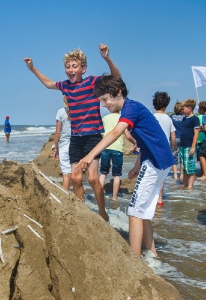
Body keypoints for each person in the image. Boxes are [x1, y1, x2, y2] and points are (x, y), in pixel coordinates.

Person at [76, 75, 174, 257]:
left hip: (156, 162)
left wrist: (90, 156)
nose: (104, 105)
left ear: (118, 92)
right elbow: (149, 139)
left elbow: (115, 133)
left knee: (134, 212)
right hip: (158, 160)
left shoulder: (130, 108)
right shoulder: (134, 108)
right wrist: (138, 163)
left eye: (105, 99)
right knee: (142, 211)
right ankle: (152, 253)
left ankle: (134, 261)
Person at [23, 44, 121, 221]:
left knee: (92, 179)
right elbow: (48, 84)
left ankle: (102, 212)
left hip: (92, 137)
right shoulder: (65, 86)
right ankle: (81, 214)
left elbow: (116, 77)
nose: (70, 69)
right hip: (76, 139)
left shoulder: (92, 82)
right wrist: (32, 68)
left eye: (75, 66)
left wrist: (106, 58)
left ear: (83, 68)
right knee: (75, 179)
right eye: (67, 66)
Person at [98, 112, 132, 201]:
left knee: (103, 173)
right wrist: (135, 142)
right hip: (117, 149)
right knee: (116, 175)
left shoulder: (105, 118)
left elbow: (100, 132)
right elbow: (127, 135)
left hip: (105, 147)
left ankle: (99, 195)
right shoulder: (122, 118)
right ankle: (114, 197)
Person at [152, 92, 176, 206]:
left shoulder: (152, 117)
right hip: (164, 150)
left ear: (153, 104)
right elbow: (173, 136)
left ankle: (151, 198)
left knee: (151, 175)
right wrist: (171, 148)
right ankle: (160, 199)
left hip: (152, 149)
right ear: (166, 105)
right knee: (161, 176)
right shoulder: (168, 118)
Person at [179, 99, 200, 189]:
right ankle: (184, 183)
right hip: (183, 145)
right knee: (184, 166)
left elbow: (196, 133)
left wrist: (193, 147)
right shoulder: (184, 118)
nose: (182, 111)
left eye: (183, 109)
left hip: (189, 146)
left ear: (190, 108)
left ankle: (190, 185)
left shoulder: (195, 119)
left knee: (190, 167)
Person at [53, 97, 72, 190]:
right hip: (77, 145)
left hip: (65, 146)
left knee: (66, 174)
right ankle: (80, 199)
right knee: (77, 174)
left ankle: (66, 199)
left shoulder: (61, 112)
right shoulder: (79, 110)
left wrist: (56, 149)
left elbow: (57, 133)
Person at [170, 101, 185, 182]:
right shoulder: (184, 117)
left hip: (174, 138)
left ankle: (175, 175)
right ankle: (182, 175)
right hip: (183, 138)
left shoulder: (171, 116)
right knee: (182, 156)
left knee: (174, 156)